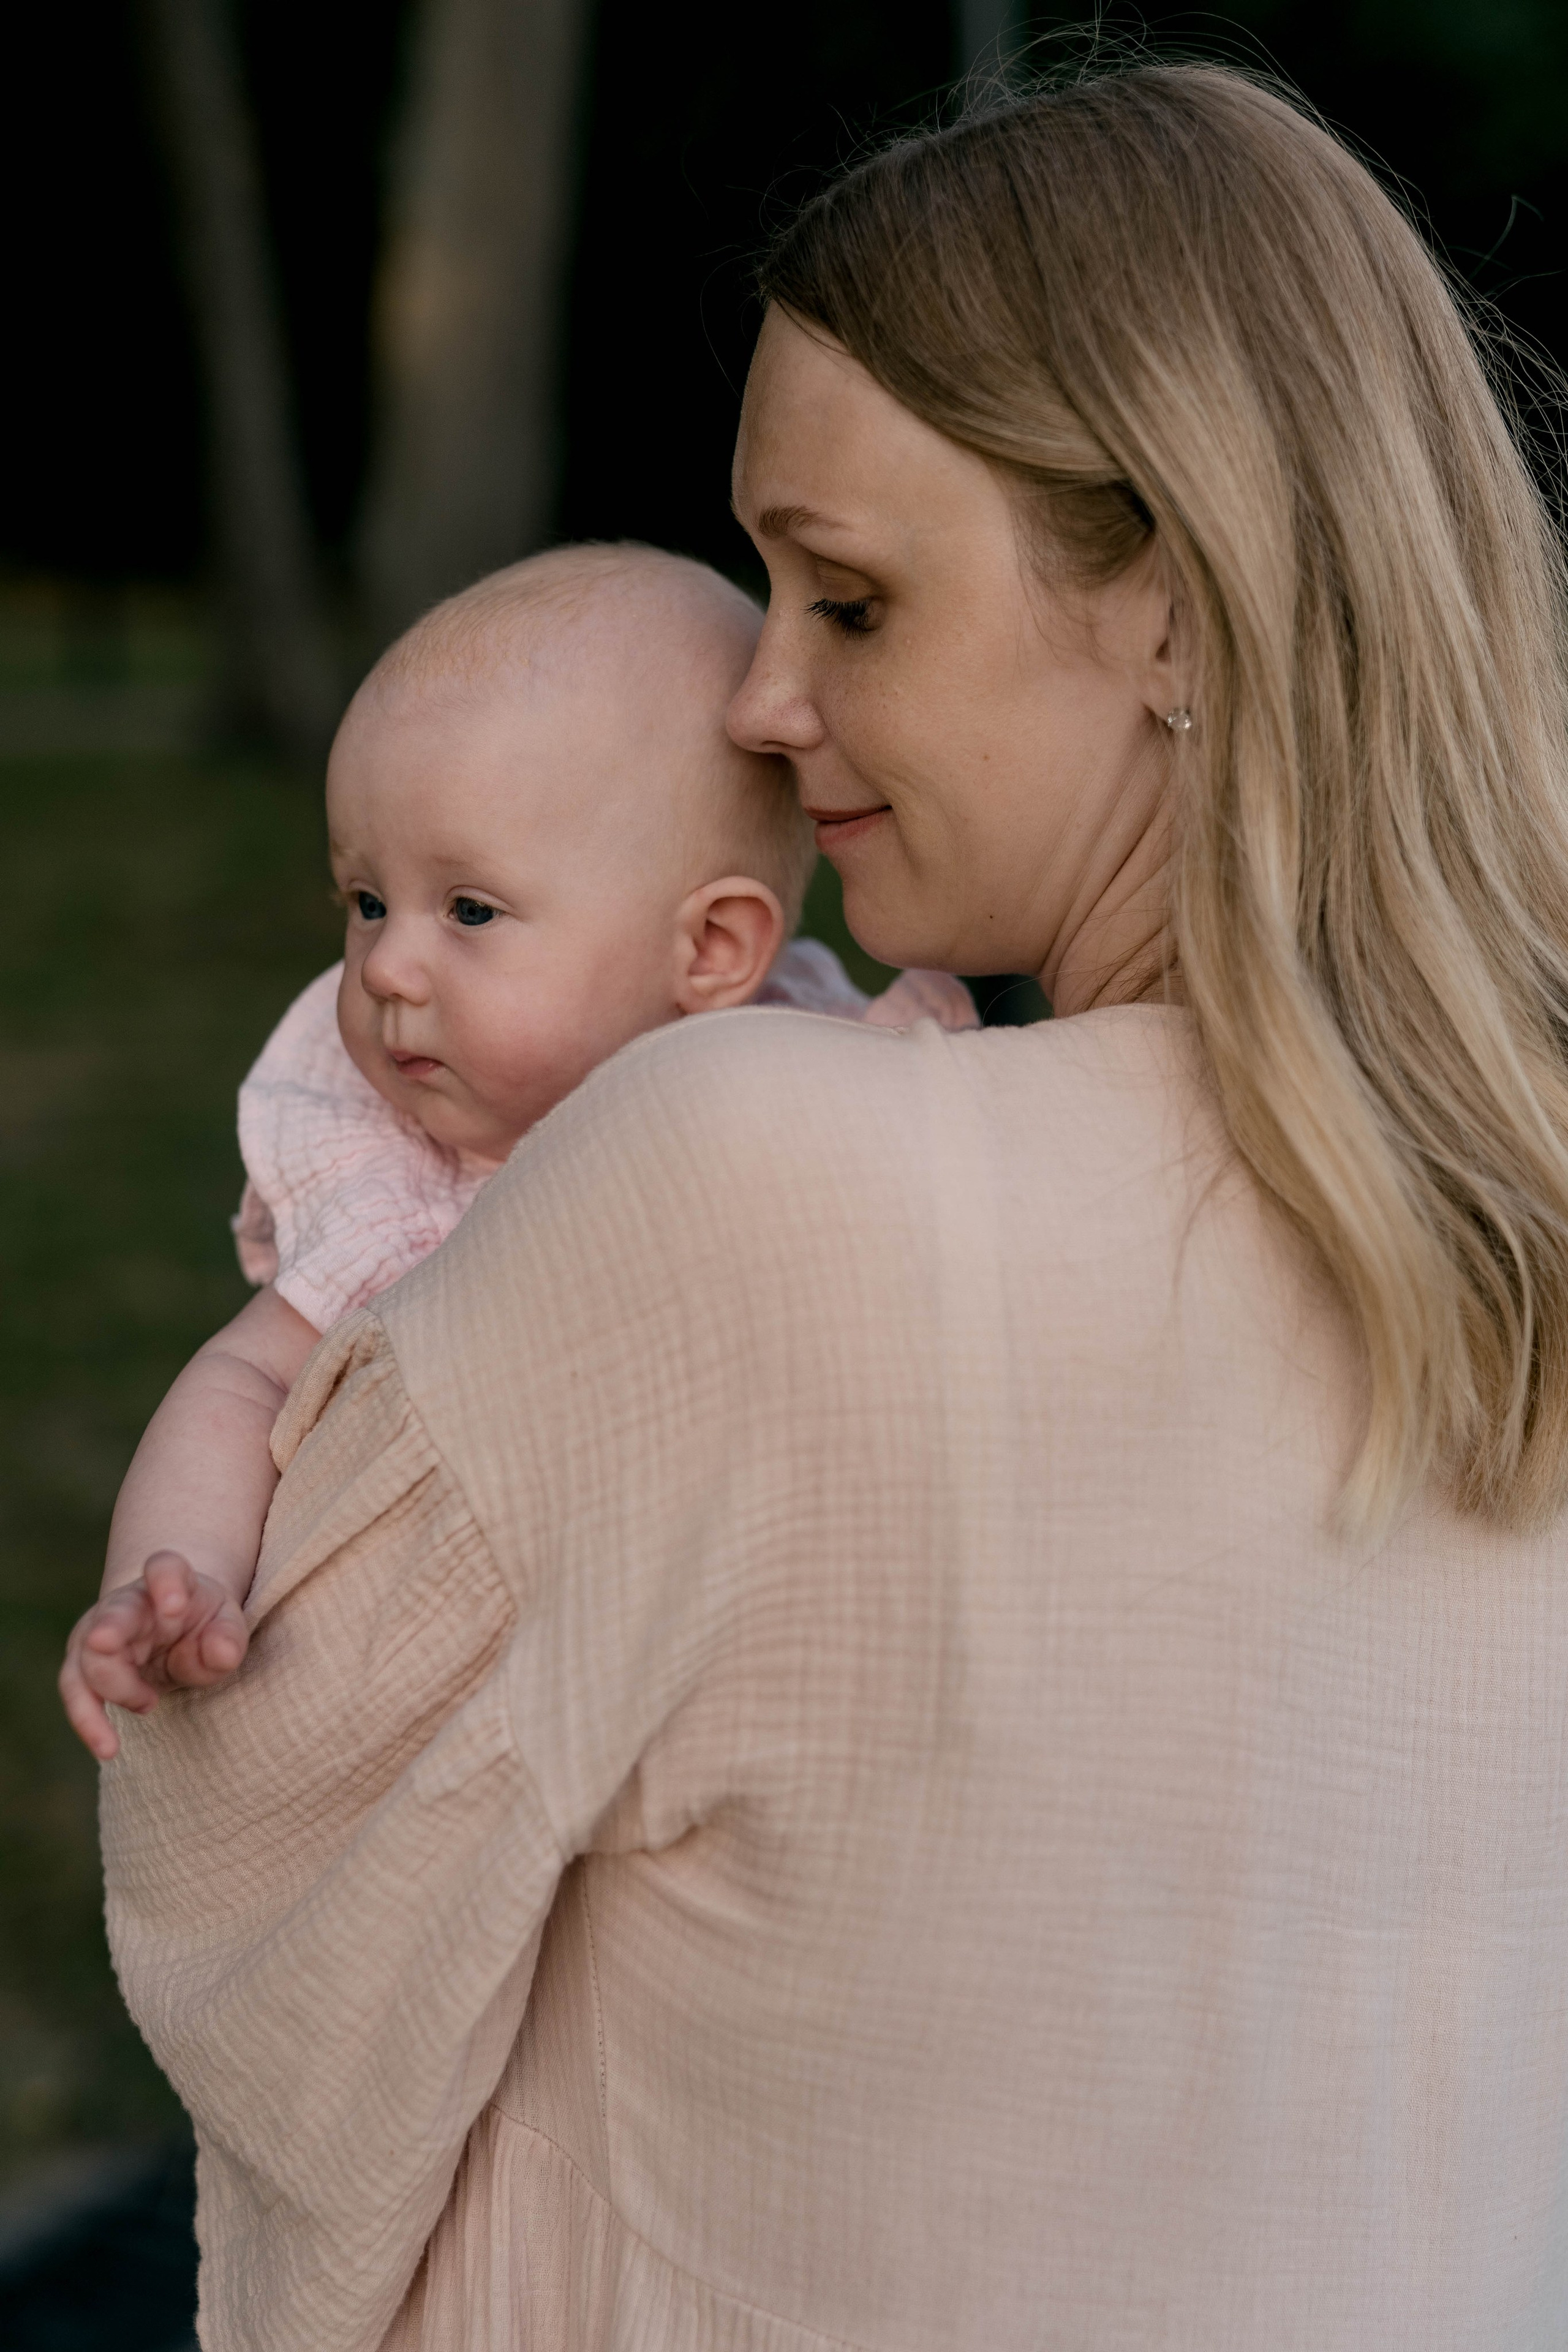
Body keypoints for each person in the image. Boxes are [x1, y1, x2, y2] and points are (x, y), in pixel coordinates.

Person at [102, 59, 1568, 2351]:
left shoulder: (755, 1177)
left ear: (1177, 612)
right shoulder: (1518, 1238)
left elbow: (247, 1866)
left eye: (853, 602)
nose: (765, 701)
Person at [59, 543, 970, 1761]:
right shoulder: (405, 1171)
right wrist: (172, 1572)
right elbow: (242, 1386)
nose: (383, 966)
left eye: (469, 911)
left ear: (708, 953)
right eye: (366, 899)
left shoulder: (828, 1089)